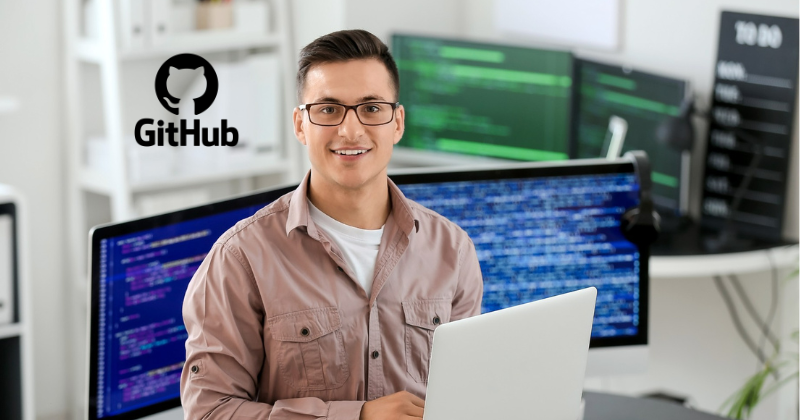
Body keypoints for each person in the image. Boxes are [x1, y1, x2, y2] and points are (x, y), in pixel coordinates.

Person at [180, 29, 484, 420]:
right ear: (300, 125)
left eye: (372, 108)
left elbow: (465, 394)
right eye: (328, 110)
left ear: (398, 123)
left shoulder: (452, 250)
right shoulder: (240, 258)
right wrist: (356, 417)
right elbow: (209, 411)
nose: (351, 131)